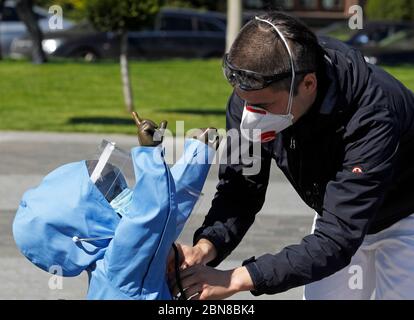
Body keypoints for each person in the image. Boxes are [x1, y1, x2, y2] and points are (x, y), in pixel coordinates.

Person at [169, 12, 414, 300]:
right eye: (243, 101)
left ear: (308, 84)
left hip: (405, 217)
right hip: (336, 217)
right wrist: (207, 246)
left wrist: (235, 279)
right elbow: (240, 190)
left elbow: (338, 238)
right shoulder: (253, 91)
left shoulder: (374, 114)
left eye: (263, 106)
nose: (249, 118)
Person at [13, 112, 220, 300]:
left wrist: (198, 154)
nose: (122, 194)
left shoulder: (112, 262)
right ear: (79, 235)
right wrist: (150, 155)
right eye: (111, 192)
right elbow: (153, 215)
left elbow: (164, 215)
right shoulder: (119, 267)